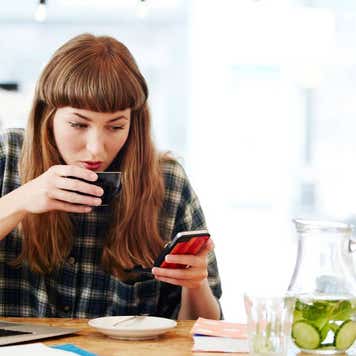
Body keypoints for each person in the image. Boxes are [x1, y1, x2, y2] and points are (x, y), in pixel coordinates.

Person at [0, 33, 222, 319]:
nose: (95, 149)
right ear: (48, 115)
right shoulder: (7, 156)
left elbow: (204, 331)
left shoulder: (168, 183)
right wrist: (19, 201)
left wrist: (195, 285)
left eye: (115, 127)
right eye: (78, 124)